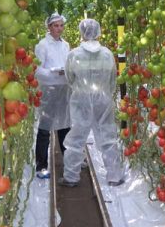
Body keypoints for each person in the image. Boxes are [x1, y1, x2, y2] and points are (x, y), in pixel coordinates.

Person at [58, 18, 124, 187]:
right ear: (98, 31)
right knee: (107, 136)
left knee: (76, 138)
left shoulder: (74, 54)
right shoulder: (107, 54)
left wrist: (80, 90)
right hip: (103, 98)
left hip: (81, 99)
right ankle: (114, 176)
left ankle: (71, 177)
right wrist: (104, 93)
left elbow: (69, 78)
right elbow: (112, 78)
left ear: (82, 33)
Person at [34, 13, 71, 179]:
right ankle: (41, 166)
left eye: (61, 25)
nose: (59, 29)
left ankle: (69, 162)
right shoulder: (42, 45)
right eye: (55, 25)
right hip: (49, 90)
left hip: (64, 89)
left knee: (65, 127)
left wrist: (66, 71)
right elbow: (36, 71)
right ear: (49, 27)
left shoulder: (66, 45)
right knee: (44, 129)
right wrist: (54, 72)